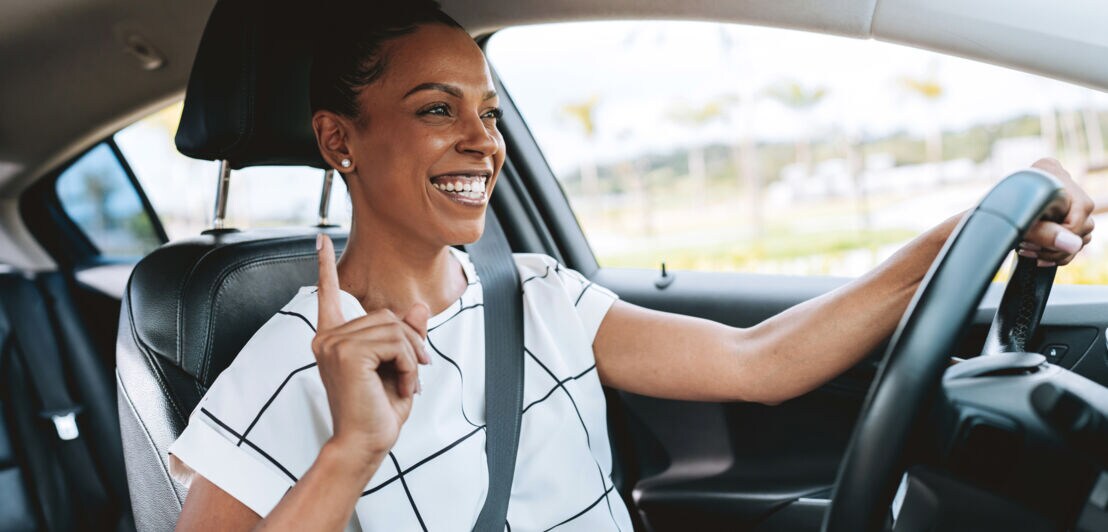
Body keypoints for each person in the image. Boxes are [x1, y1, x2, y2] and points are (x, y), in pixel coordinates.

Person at [169, 2, 1096, 531]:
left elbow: (758, 363)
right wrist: (352, 451)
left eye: (488, 113)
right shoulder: (289, 361)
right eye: (434, 109)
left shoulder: (538, 293)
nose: (481, 143)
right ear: (340, 139)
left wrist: (973, 223)